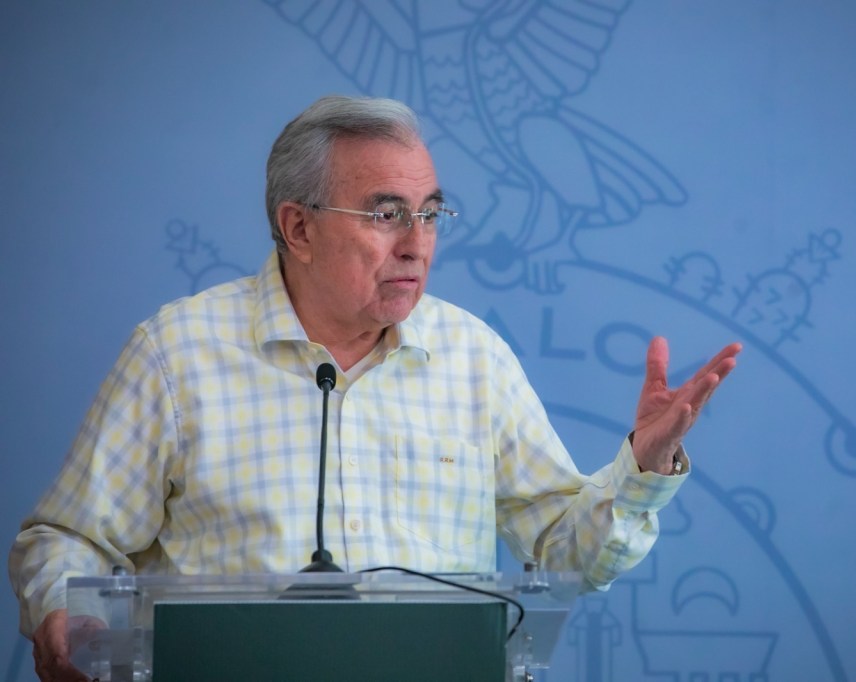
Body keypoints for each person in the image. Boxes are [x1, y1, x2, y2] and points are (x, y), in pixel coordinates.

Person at [9, 95, 741, 681]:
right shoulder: (178, 353)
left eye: (430, 214)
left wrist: (641, 468)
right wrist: (65, 613)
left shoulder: (472, 357)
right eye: (386, 215)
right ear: (298, 228)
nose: (417, 244)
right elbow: (67, 538)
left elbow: (564, 554)